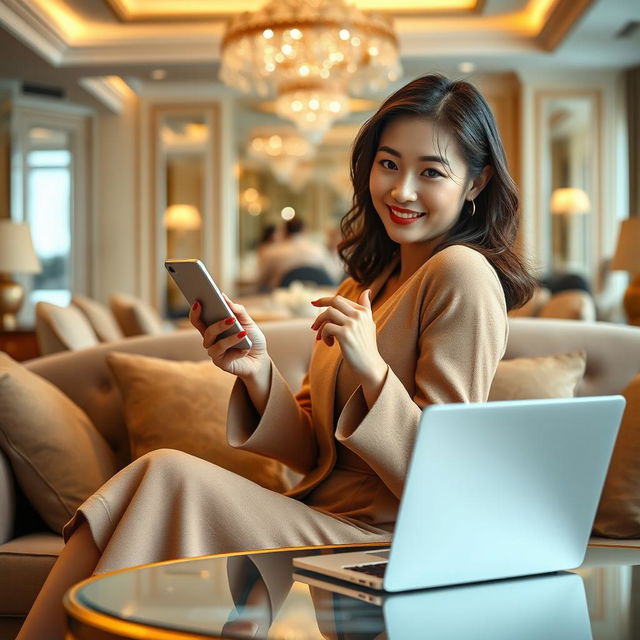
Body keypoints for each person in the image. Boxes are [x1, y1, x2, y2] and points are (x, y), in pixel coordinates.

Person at [17, 73, 535, 639]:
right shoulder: (367, 282)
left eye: (431, 172)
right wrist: (258, 369)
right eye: (388, 164)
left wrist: (372, 370)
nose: (402, 190)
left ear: (476, 182)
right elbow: (312, 448)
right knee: (136, 490)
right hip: (320, 518)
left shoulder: (462, 274)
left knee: (165, 473)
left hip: (390, 543)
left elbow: (446, 483)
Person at [257, 217, 337, 290]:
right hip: (316, 297)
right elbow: (332, 275)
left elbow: (261, 279)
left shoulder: (271, 252)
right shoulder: (319, 250)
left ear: (285, 232)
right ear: (305, 231)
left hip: (281, 298)